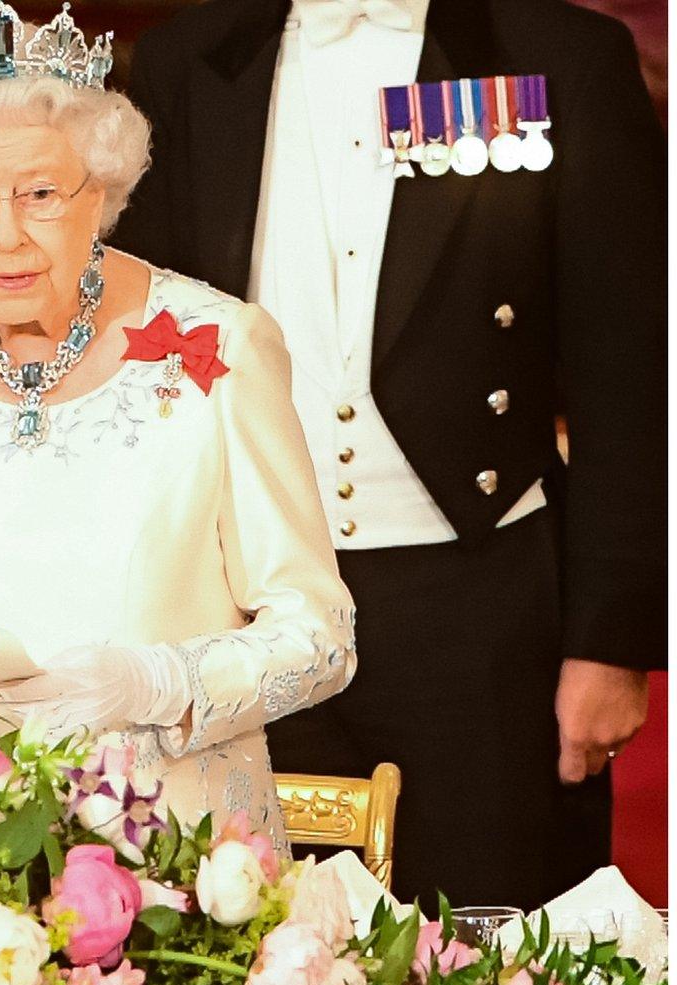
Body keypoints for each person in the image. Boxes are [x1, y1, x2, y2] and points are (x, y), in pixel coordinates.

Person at [115, 0, 666, 905]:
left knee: (493, 958)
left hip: (480, 603)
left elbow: (634, 375)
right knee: (258, 959)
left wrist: (611, 641)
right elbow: (146, 347)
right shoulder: (188, 58)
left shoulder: (556, 53)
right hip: (250, 601)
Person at [0, 5, 357, 841]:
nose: (6, 235)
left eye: (42, 194)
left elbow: (321, 635)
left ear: (103, 195)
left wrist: (158, 684)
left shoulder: (222, 344)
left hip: (173, 869)